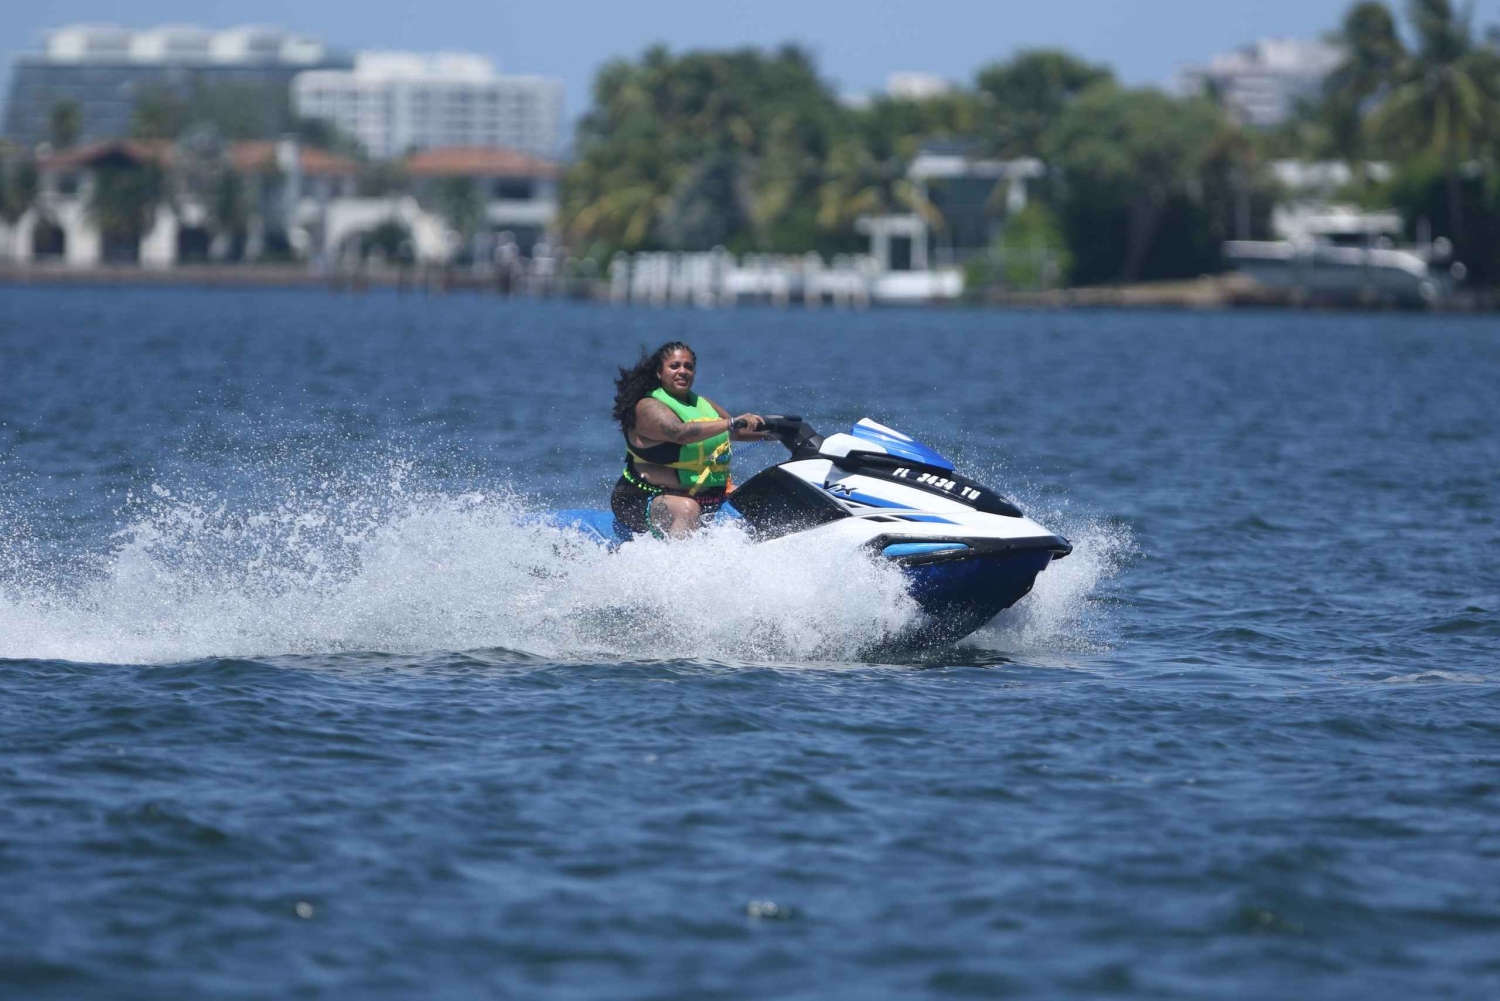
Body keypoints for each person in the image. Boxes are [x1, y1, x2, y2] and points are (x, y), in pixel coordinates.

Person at [610, 341, 766, 538]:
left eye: (688, 367)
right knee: (686, 509)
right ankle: (679, 567)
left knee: (756, 496)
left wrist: (778, 432)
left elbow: (737, 432)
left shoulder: (703, 403)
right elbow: (679, 433)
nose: (682, 371)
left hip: (706, 497)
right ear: (659, 372)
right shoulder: (647, 407)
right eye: (674, 366)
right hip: (643, 498)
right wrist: (732, 422)